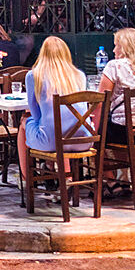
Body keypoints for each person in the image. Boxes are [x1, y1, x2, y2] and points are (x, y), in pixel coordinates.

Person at [16, 36, 88, 173]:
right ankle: (62, 174)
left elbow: (35, 113)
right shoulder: (79, 75)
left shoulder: (33, 76)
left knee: (25, 122)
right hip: (82, 139)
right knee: (58, 125)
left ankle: (26, 178)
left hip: (51, 141)